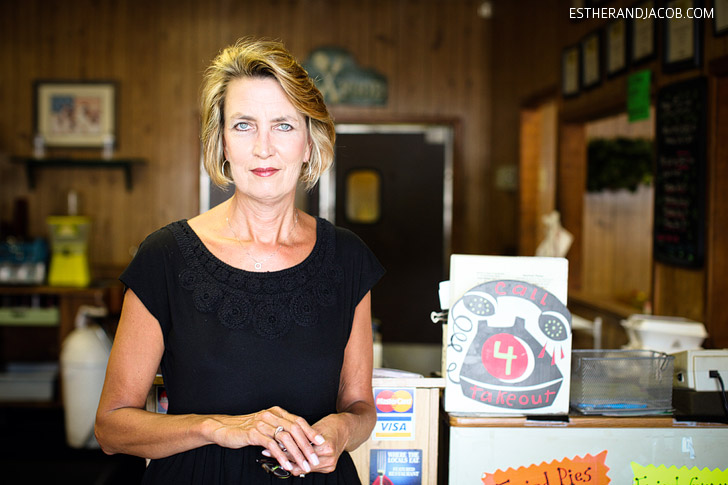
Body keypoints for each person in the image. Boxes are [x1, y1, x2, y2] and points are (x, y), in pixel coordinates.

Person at [95, 37, 385, 484]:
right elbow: (111, 428)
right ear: (223, 143)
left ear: (309, 143)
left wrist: (342, 430)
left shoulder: (348, 258)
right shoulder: (165, 256)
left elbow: (360, 406)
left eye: (283, 125)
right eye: (244, 125)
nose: (264, 148)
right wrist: (217, 427)